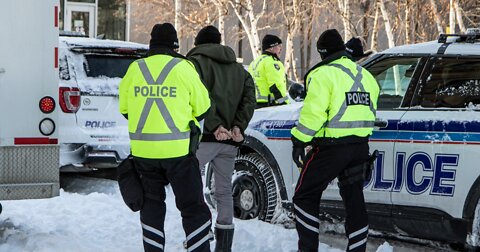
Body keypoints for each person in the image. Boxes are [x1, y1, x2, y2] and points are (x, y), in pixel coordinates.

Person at [119, 23, 213, 252]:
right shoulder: (184, 68)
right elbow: (203, 108)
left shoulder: (135, 69)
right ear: (175, 45)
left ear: (151, 44)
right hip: (179, 154)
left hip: (144, 154)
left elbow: (125, 109)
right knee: (192, 208)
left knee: (151, 208)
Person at [290, 29, 379, 252]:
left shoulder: (323, 74)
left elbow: (314, 115)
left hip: (330, 149)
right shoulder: (366, 75)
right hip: (360, 148)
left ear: (323, 53)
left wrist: (299, 140)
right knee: (355, 201)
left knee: (304, 197)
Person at [186, 25, 256, 252]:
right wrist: (238, 126)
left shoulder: (195, 64)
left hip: (204, 138)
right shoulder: (239, 69)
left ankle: (200, 229)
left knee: (190, 183)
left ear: (198, 43)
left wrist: (215, 125)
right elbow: (249, 98)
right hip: (229, 141)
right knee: (224, 191)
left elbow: (200, 97)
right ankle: (224, 246)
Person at [248, 34, 289, 108]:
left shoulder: (254, 63)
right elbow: (274, 85)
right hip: (271, 105)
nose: (280, 49)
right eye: (279, 46)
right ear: (271, 48)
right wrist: (282, 102)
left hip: (255, 105)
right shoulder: (272, 62)